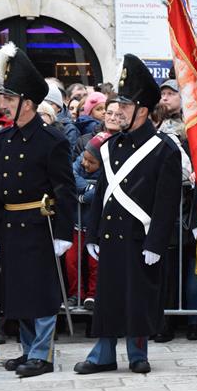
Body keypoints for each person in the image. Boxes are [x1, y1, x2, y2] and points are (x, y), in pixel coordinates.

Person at [73, 54, 181, 375]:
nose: (116, 110)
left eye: (125, 104)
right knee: (107, 296)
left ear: (143, 111)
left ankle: (137, 352)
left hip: (141, 237)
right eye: (116, 103)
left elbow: (166, 202)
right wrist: (92, 233)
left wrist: (156, 243)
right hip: (110, 235)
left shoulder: (165, 148)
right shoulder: (109, 147)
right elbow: (103, 195)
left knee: (139, 295)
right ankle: (103, 352)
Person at [0, 43, 76, 377]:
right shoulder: (4, 140)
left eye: (9, 99)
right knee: (18, 291)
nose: (3, 104)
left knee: (42, 292)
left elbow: (65, 189)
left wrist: (65, 232)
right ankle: (27, 350)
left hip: (40, 224)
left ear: (28, 103)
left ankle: (42, 354)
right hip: (10, 222)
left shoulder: (52, 140)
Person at [66, 132, 110, 311]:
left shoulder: (108, 170)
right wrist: (87, 188)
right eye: (85, 158)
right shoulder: (80, 161)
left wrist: (85, 195)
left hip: (96, 225)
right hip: (77, 223)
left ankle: (93, 294)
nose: (85, 163)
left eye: (91, 162)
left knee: (95, 261)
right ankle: (76, 293)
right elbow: (70, 174)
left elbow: (99, 191)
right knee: (71, 260)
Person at [43, 83, 81, 150]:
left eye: (49, 103)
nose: (45, 106)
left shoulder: (69, 128)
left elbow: (69, 155)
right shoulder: (34, 122)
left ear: (59, 108)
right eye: (42, 102)